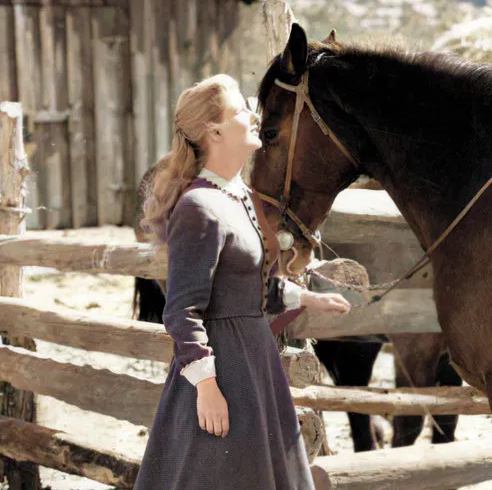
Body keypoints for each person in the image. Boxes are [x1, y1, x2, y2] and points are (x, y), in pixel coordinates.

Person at [134, 74, 352, 489]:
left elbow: (247, 288)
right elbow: (182, 310)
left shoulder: (236, 196)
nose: (253, 116)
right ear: (214, 132)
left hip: (255, 366)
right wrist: (207, 387)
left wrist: (307, 298)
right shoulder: (199, 206)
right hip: (225, 370)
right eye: (240, 110)